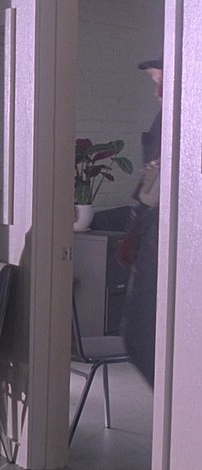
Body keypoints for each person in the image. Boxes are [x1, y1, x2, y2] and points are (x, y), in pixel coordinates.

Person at [117, 57, 163, 388]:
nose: (157, 93)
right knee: (137, 336)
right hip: (152, 234)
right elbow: (151, 181)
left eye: (162, 83)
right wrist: (133, 231)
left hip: (170, 242)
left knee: (142, 337)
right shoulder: (165, 121)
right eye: (155, 83)